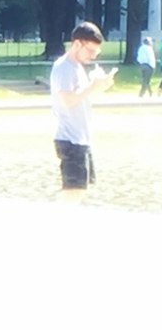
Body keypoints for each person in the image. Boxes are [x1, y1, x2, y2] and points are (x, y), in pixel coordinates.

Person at [49, 22, 117, 202]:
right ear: (77, 44)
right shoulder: (64, 67)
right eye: (91, 51)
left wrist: (100, 86)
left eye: (96, 53)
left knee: (80, 190)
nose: (93, 57)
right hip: (70, 139)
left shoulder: (76, 67)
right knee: (73, 191)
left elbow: (81, 98)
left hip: (80, 138)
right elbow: (67, 100)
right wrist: (93, 86)